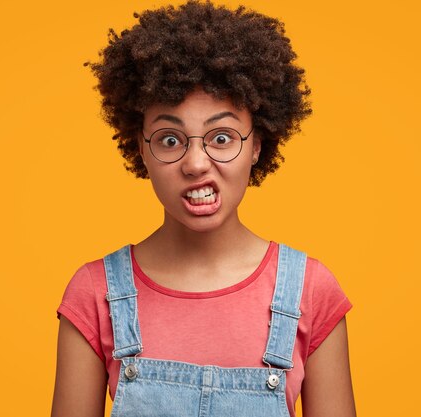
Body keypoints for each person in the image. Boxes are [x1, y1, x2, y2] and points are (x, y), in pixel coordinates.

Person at [51, 1, 356, 416]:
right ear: (141, 147)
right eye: (171, 140)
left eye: (222, 137)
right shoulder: (95, 295)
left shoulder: (310, 292)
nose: (196, 164)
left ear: (258, 145)